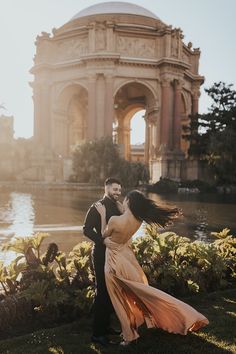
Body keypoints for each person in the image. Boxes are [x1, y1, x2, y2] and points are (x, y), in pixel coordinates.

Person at [95, 190, 209, 346]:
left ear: (128, 202)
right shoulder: (138, 220)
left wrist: (102, 214)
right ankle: (137, 326)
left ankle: (129, 336)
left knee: (119, 300)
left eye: (125, 200)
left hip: (113, 262)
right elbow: (125, 216)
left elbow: (103, 235)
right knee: (136, 293)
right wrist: (120, 205)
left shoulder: (114, 220)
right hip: (126, 260)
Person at [83, 177, 123, 346]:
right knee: (102, 293)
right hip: (100, 254)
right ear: (106, 188)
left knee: (111, 290)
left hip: (115, 253)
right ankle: (97, 334)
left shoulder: (118, 206)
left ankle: (106, 327)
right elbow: (86, 230)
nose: (118, 193)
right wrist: (101, 241)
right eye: (115, 189)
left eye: (119, 190)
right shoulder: (97, 207)